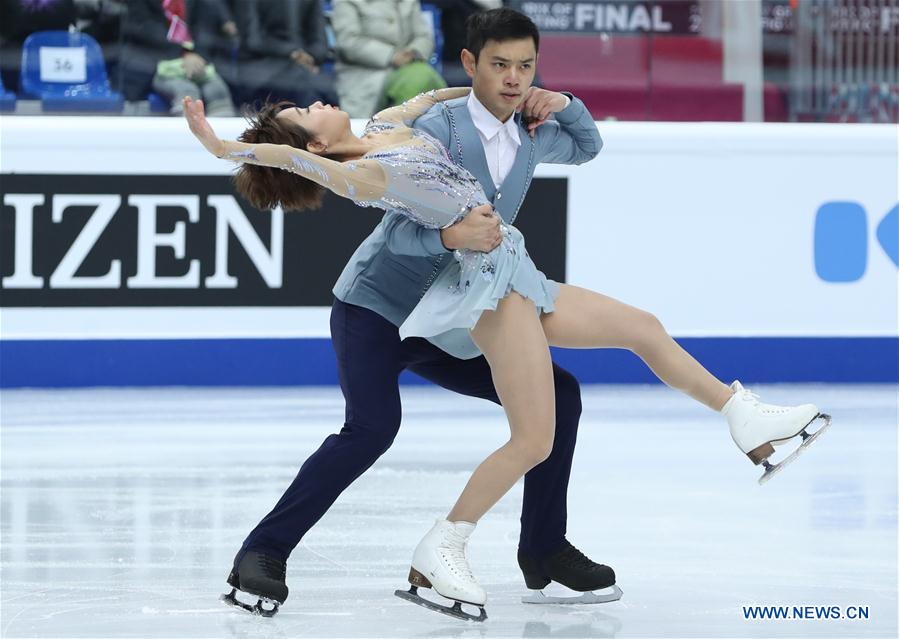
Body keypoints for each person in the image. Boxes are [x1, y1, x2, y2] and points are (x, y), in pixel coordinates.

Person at [184, 8, 827, 619]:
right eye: (307, 110)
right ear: (315, 142)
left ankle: (543, 549)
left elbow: (436, 102)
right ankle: (262, 554)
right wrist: (228, 149)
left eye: (523, 65)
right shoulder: (360, 172)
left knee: (560, 395)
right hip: (380, 311)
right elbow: (309, 170)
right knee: (373, 428)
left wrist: (538, 97)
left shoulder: (393, 124)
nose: (317, 100)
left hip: (462, 303)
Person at [331, 0, 441, 118]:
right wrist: (391, 56)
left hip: (409, 65)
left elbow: (424, 36)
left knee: (422, 75)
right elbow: (348, 42)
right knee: (422, 77)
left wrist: (413, 52)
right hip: (367, 75)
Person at [231, 0, 337, 108]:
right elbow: (252, 40)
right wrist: (292, 53)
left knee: (330, 95)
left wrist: (311, 57)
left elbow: (320, 42)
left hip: (302, 69)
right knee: (308, 94)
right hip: (262, 68)